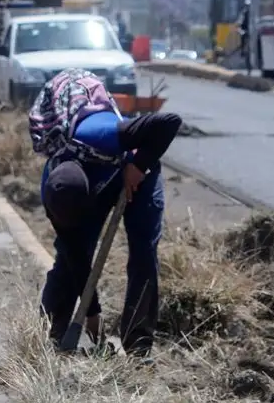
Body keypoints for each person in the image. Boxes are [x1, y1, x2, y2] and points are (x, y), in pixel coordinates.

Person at [29, 69, 182, 355]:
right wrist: (93, 313)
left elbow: (168, 122)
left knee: (143, 252)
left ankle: (138, 347)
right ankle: (51, 338)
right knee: (71, 254)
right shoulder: (55, 187)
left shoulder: (101, 134)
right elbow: (76, 253)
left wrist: (137, 168)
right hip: (94, 178)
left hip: (138, 168)